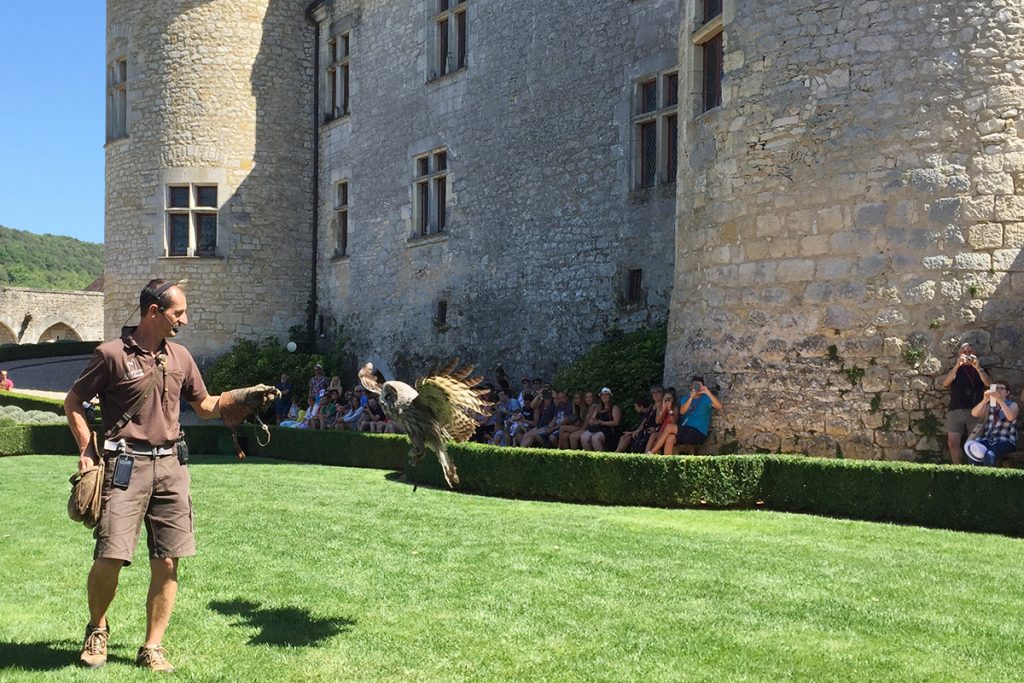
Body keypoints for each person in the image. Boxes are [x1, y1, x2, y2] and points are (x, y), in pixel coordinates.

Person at [63, 279, 255, 672]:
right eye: (178, 313)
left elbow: (203, 406)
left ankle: (152, 646)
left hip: (172, 467)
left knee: (168, 562)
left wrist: (242, 398)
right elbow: (74, 401)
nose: (184, 319)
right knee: (110, 556)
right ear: (154, 312)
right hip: (125, 467)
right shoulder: (111, 354)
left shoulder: (181, 357)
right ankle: (97, 629)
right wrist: (87, 449)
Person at [941, 342, 990, 464]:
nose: (967, 354)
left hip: (976, 411)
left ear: (975, 355)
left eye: (970, 352)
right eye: (964, 352)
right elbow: (945, 383)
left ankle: (972, 470)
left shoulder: (981, 369)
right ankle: (958, 469)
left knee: (974, 443)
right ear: (959, 355)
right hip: (956, 409)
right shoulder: (955, 369)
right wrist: (957, 365)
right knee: (952, 443)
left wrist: (978, 368)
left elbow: (988, 384)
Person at [964, 381, 1018, 466]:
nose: (998, 390)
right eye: (996, 388)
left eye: (1001, 388)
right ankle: (975, 477)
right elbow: (974, 413)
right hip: (989, 439)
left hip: (1005, 440)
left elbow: (1010, 417)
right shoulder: (990, 405)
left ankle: (989, 478)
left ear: (1007, 393)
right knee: (973, 449)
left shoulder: (1012, 405)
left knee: (990, 454)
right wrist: (984, 400)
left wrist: (1000, 401)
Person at [675, 377, 723, 452]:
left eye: (699, 386)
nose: (697, 388)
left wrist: (707, 392)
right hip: (685, 429)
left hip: (698, 432)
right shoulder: (685, 398)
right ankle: (666, 461)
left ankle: (650, 453)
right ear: (691, 386)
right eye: (695, 385)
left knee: (669, 428)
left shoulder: (706, 399)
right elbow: (682, 411)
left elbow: (719, 406)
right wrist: (691, 397)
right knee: (670, 439)